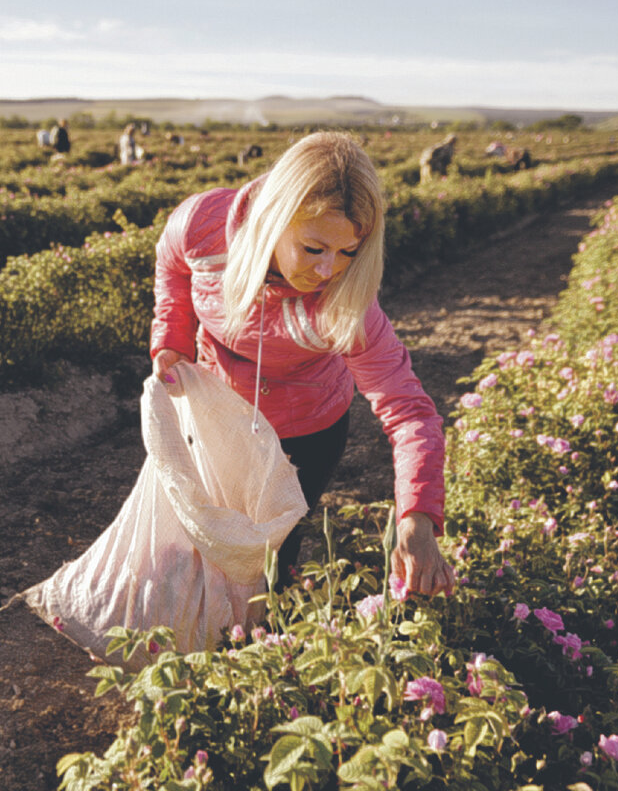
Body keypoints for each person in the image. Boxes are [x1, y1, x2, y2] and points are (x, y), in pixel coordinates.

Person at [151, 132, 456, 596]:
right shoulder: (203, 224)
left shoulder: (346, 306)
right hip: (217, 418)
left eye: (348, 251)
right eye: (314, 248)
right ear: (274, 219)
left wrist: (417, 518)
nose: (329, 270)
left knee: (272, 558)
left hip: (305, 432)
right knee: (196, 537)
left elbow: (408, 410)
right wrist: (172, 339)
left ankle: (259, 635)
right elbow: (172, 264)